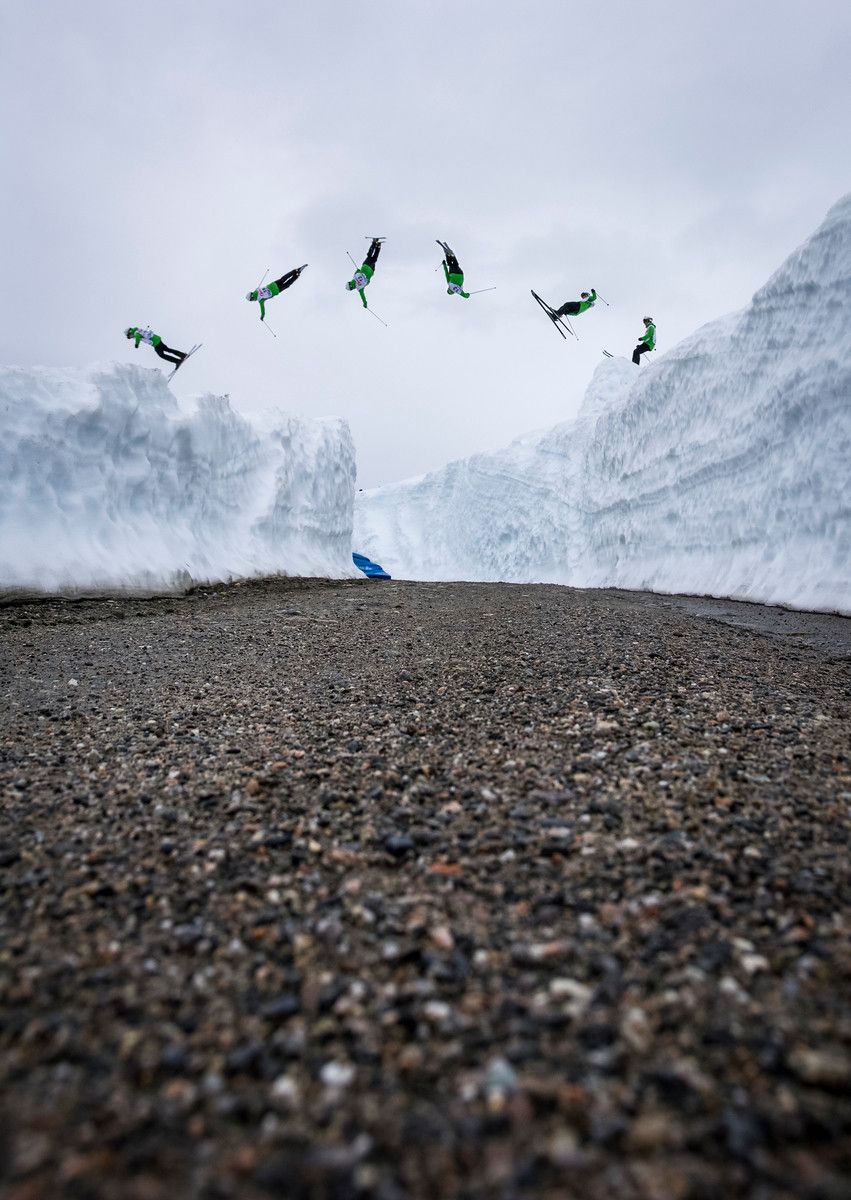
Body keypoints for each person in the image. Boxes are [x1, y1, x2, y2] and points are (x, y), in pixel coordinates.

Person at [346, 237, 385, 308]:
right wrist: (359, 272)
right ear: (349, 283)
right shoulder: (354, 277)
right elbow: (357, 270)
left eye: (351, 289)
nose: (353, 289)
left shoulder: (359, 288)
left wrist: (365, 303)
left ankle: (378, 245)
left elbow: (363, 297)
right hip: (366, 265)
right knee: (370, 256)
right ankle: (375, 243)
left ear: (351, 287)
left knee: (374, 259)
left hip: (371, 270)